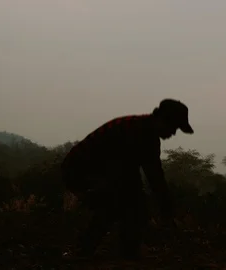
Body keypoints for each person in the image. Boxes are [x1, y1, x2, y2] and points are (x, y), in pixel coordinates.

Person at [61, 98, 194, 260]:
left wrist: (166, 210)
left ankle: (123, 252)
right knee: (119, 202)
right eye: (173, 127)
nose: (173, 133)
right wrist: (166, 212)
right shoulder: (135, 132)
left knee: (131, 204)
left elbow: (154, 177)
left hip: (98, 171)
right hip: (79, 171)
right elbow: (140, 177)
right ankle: (88, 252)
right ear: (161, 120)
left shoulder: (145, 133)